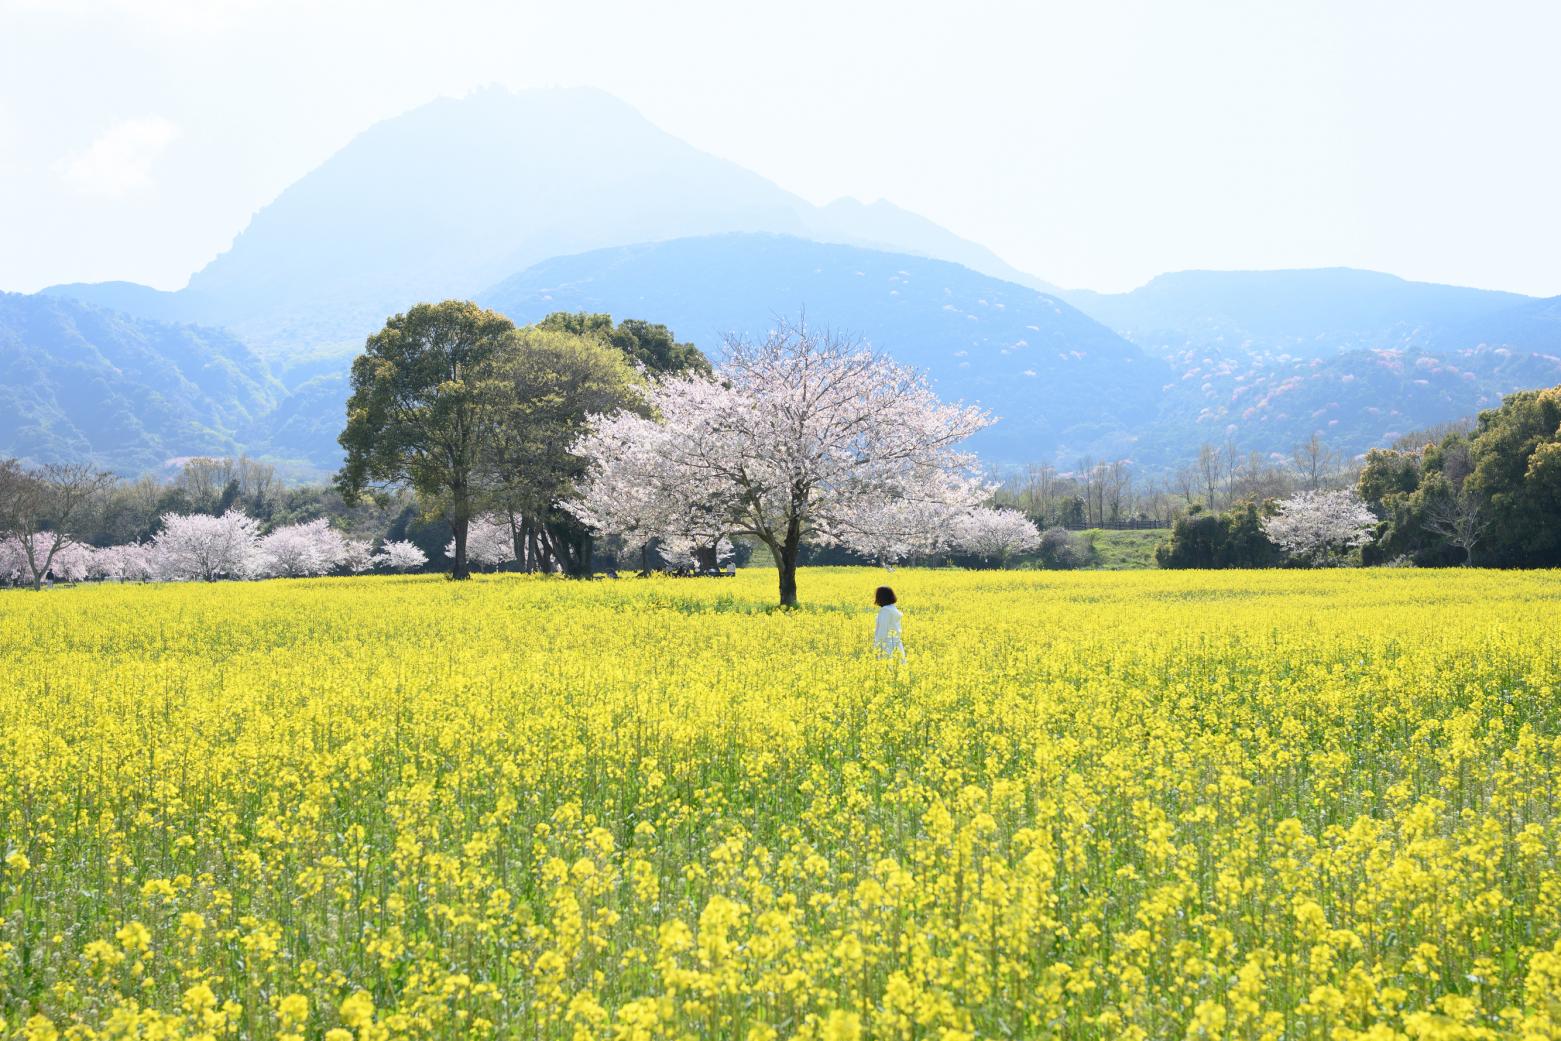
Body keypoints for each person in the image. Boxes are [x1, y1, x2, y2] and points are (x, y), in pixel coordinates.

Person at [873, 586, 906, 660]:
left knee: (887, 667)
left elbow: (882, 630)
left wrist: (876, 645)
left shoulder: (885, 611)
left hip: (886, 646)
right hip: (896, 644)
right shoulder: (893, 608)